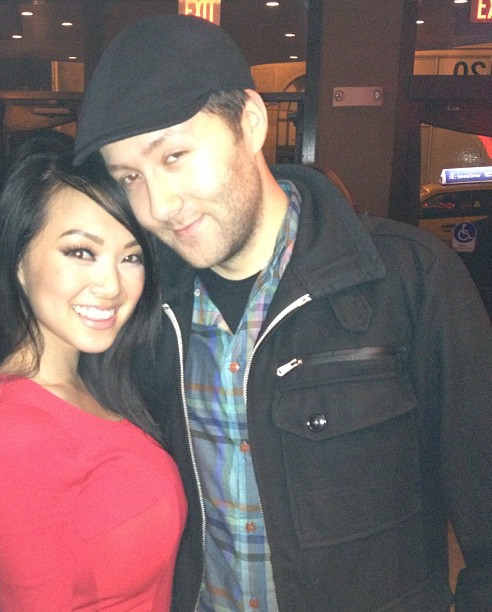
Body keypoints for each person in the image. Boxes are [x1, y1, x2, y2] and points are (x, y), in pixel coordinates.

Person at [73, 15, 492, 612]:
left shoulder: (409, 279)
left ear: (250, 121)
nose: (158, 205)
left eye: (175, 156)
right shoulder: (141, 307)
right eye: (130, 177)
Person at [0, 144, 186, 611]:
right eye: (81, 251)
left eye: (131, 257)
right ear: (19, 261)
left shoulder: (94, 380)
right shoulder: (15, 433)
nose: (112, 286)